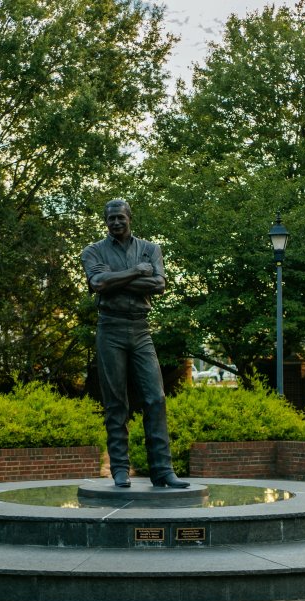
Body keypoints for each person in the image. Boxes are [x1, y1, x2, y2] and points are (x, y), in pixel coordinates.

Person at [81, 199, 189, 489]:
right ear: (105, 221)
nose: (115, 223)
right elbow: (99, 284)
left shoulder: (150, 249)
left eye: (120, 217)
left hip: (141, 329)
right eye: (110, 219)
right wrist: (137, 273)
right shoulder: (93, 251)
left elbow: (159, 285)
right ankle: (119, 468)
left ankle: (163, 470)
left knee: (156, 397)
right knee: (116, 402)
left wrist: (117, 279)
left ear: (130, 218)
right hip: (110, 328)